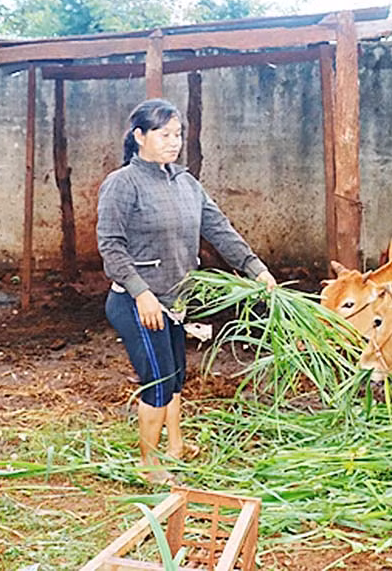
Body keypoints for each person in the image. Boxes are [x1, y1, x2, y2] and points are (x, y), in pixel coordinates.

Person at [97, 98, 277, 485]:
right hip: (137, 303)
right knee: (158, 382)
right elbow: (111, 247)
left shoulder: (185, 182)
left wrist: (255, 268)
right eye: (165, 135)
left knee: (176, 378)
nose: (174, 142)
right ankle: (149, 465)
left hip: (175, 300)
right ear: (139, 136)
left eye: (178, 134)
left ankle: (175, 445)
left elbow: (219, 229)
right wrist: (140, 292)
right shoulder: (122, 184)